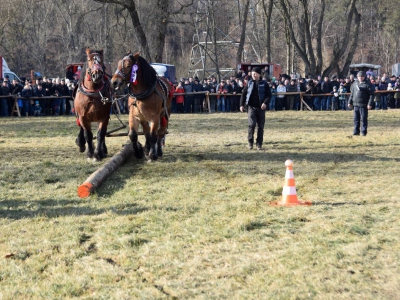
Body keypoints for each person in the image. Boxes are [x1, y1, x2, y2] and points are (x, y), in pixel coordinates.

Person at [239, 67, 271, 150]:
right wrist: (241, 105)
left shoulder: (264, 84)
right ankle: (250, 143)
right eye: (252, 73)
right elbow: (243, 94)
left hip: (261, 108)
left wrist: (265, 103)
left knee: (260, 126)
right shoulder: (249, 83)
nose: (253, 75)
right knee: (251, 125)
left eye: (255, 73)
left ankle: (259, 143)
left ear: (259, 74)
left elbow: (269, 95)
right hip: (251, 107)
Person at [348, 71, 374, 136]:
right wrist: (349, 102)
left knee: (363, 119)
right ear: (357, 77)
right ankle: (356, 131)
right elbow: (352, 94)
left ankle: (363, 132)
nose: (360, 78)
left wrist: (369, 104)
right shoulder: (355, 83)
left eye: (362, 77)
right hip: (355, 105)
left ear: (364, 77)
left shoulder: (367, 84)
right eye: (359, 76)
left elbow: (371, 95)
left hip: (363, 104)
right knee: (356, 119)